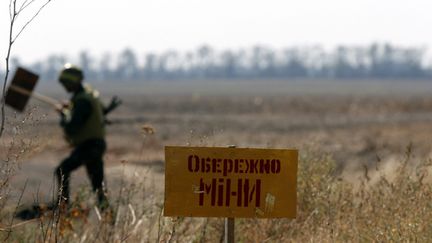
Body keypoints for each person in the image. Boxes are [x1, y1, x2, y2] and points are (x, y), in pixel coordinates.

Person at [55, 63, 121, 211]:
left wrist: (62, 114)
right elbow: (97, 114)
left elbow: (72, 127)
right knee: (98, 187)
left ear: (73, 82)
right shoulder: (88, 95)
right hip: (96, 145)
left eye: (66, 83)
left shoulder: (82, 101)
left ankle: (63, 208)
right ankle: (108, 220)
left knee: (62, 170)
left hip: (89, 146)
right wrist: (70, 108)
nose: (64, 87)